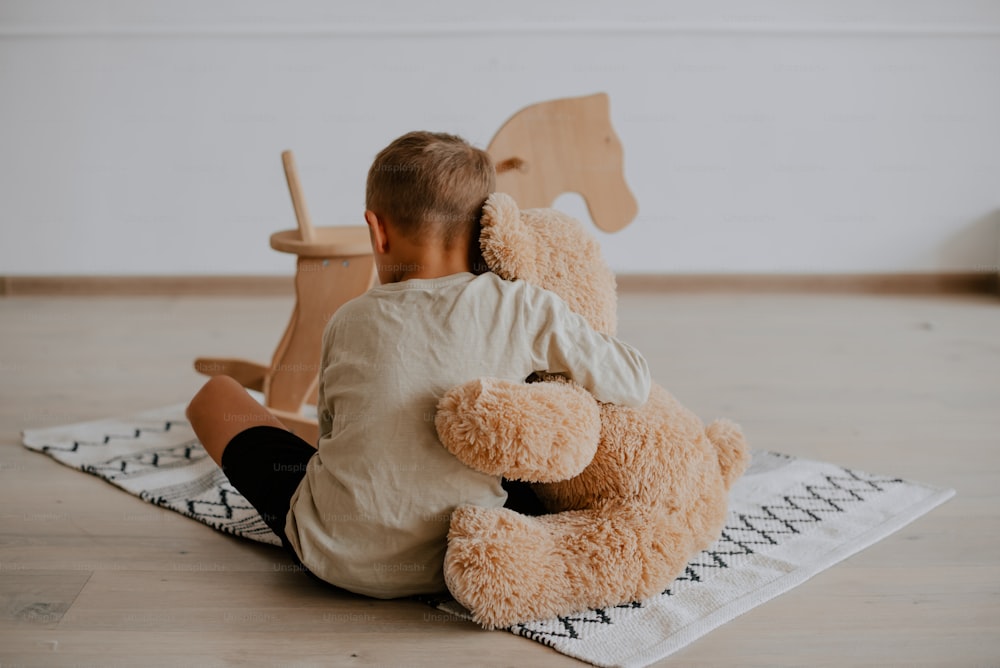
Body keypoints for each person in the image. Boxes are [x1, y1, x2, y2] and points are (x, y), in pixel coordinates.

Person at [185, 131, 651, 598]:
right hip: (461, 557)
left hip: (331, 556)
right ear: (486, 230)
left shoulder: (348, 319)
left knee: (215, 398)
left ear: (377, 230)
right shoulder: (525, 306)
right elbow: (632, 381)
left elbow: (330, 433)